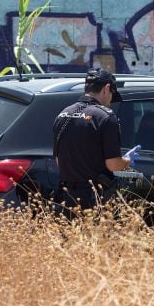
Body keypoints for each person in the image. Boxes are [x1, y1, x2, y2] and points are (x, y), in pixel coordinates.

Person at [52, 68, 139, 214]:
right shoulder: (105, 116)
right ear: (106, 89)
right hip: (93, 198)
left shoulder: (63, 114)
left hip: (65, 197)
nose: (111, 101)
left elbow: (58, 161)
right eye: (112, 94)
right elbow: (113, 165)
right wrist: (127, 160)